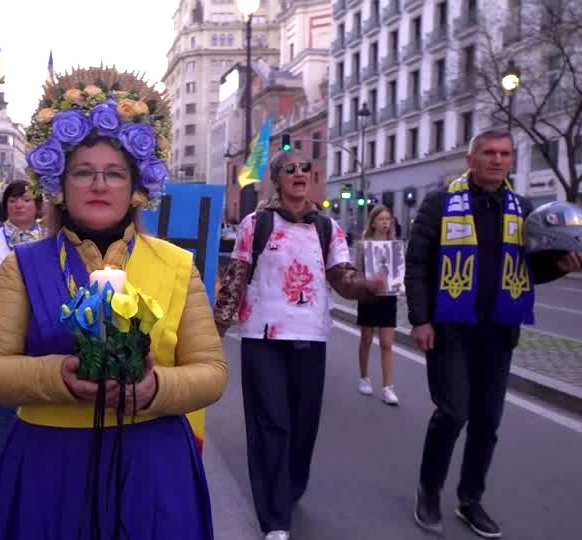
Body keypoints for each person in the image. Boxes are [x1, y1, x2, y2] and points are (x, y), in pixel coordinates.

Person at [0, 68, 227, 539]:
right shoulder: (21, 266)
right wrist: (57, 377)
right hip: (50, 465)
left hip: (153, 464)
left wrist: (153, 389)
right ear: (60, 185)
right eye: (83, 172)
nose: (99, 185)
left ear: (136, 187)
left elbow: (211, 372)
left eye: (114, 173)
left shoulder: (176, 265)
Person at [407, 129, 582, 538]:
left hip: (499, 331)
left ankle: (470, 499)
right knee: (453, 413)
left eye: (504, 153)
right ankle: (428, 491)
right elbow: (416, 264)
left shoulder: (522, 209)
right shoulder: (439, 203)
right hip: (449, 328)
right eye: (489, 153)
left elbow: (529, 271)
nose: (498, 160)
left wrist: (560, 267)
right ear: (472, 159)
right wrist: (420, 319)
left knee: (487, 422)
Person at [213, 150, 384, 540]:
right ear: (276, 178)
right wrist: (212, 337)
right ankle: (274, 519)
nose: (299, 173)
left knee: (303, 426)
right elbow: (236, 281)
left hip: (311, 338)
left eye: (306, 167)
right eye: (289, 168)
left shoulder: (327, 228)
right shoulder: (256, 224)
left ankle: (288, 488)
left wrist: (368, 286)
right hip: (263, 337)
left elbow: (342, 277)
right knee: (272, 423)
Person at [0, 180, 44, 477]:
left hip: (42, 335)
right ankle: (0, 480)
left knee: (41, 406)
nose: (18, 205)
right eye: (13, 200)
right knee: (2, 410)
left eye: (26, 200)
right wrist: (37, 288)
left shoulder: (52, 237)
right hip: (4, 337)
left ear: (37, 205)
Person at [356, 204, 400, 405]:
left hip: (389, 296)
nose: (385, 223)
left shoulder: (395, 245)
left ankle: (388, 387)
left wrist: (400, 283)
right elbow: (356, 272)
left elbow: (399, 271)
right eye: (381, 219)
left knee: (387, 343)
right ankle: (364, 376)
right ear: (373, 222)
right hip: (369, 296)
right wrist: (364, 283)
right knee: (366, 337)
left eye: (388, 219)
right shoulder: (364, 245)